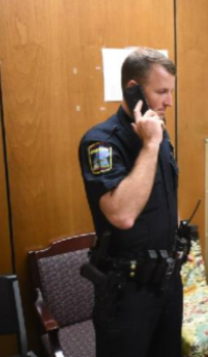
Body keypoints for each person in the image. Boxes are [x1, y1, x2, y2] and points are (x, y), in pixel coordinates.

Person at [79, 48, 182, 357]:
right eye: (162, 92)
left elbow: (167, 198)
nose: (169, 102)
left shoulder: (160, 135)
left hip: (166, 282)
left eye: (171, 92)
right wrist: (150, 145)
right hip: (127, 292)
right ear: (133, 90)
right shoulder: (101, 142)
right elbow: (122, 214)